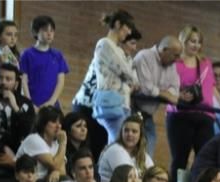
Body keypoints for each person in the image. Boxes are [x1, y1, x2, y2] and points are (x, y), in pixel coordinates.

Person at [165, 25, 220, 181]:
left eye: (199, 42)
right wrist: (179, 95)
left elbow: (211, 87)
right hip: (180, 115)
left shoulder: (205, 63)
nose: (196, 45)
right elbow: (165, 86)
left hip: (204, 115)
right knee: (180, 159)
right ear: (184, 41)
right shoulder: (175, 64)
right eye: (192, 41)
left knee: (204, 160)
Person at [80, 10, 138, 143]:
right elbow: (124, 70)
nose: (129, 32)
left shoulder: (118, 48)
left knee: (118, 142)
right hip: (111, 102)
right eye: (127, 28)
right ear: (118, 24)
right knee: (118, 142)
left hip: (122, 102)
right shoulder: (104, 43)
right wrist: (134, 80)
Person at [131, 35, 182, 157]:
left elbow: (175, 91)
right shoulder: (145, 56)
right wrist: (165, 94)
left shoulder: (172, 65)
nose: (178, 59)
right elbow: (146, 88)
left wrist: (160, 92)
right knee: (128, 153)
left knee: (148, 158)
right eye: (175, 55)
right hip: (131, 112)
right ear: (164, 50)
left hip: (147, 117)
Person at [19, 14, 69, 110]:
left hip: (52, 105)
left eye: (52, 31)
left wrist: (51, 102)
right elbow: (23, 81)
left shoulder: (57, 55)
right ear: (35, 32)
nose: (49, 34)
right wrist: (29, 103)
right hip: (32, 105)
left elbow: (61, 81)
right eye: (45, 30)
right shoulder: (27, 54)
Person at [97, 114, 153, 182]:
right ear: (121, 133)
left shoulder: (142, 154)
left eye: (134, 131)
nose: (129, 134)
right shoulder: (115, 150)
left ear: (140, 135)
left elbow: (155, 175)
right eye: (126, 130)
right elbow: (128, 179)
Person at [16, 106, 67, 182]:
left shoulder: (56, 144)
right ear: (43, 124)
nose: (58, 126)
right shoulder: (34, 139)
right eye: (54, 122)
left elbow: (63, 171)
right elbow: (55, 164)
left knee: (65, 180)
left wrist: (56, 172)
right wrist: (63, 143)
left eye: (60, 122)